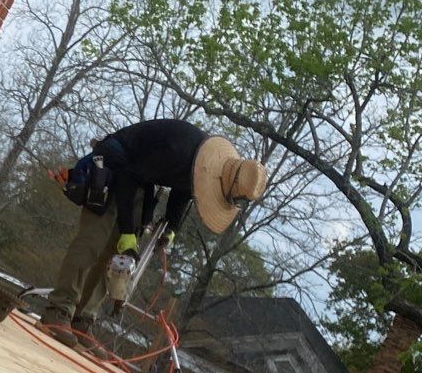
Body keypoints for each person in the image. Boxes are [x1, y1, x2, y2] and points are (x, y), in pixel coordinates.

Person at [40, 119, 267, 339]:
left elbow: (184, 191)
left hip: (138, 178)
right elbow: (128, 175)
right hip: (113, 165)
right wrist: (128, 231)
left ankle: (83, 320)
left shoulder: (204, 169)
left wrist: (171, 228)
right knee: (92, 242)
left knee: (117, 259)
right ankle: (58, 310)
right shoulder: (178, 151)